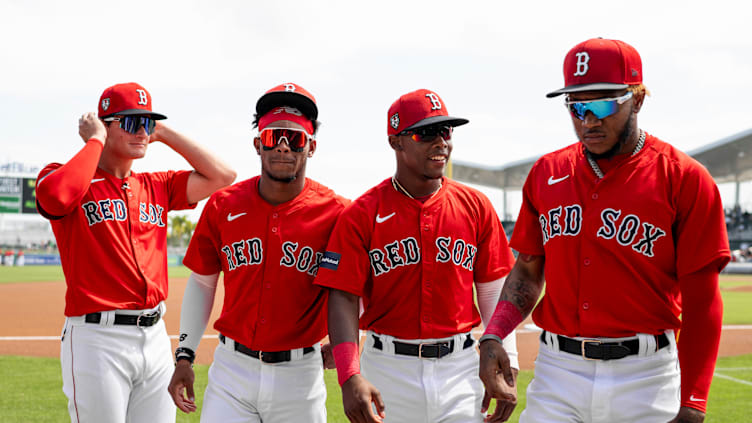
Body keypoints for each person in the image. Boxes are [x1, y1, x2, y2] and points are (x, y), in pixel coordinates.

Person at [479, 38, 731, 423]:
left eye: (602, 104)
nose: (588, 120)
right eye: (576, 106)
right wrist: (495, 333)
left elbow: (703, 303)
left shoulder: (685, 179)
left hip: (646, 377)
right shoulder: (546, 173)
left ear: (638, 99)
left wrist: (693, 402)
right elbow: (528, 271)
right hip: (558, 371)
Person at [35, 82, 236, 423]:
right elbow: (55, 198)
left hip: (155, 336)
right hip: (97, 338)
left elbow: (223, 176)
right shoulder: (67, 178)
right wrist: (95, 140)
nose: (142, 131)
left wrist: (163, 131)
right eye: (131, 122)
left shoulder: (156, 185)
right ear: (105, 125)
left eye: (147, 122)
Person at [315, 89, 518, 423]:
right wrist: (350, 373)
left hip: (460, 367)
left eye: (446, 131)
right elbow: (343, 298)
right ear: (396, 142)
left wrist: (506, 360)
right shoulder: (362, 213)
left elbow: (493, 289)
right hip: (388, 369)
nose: (441, 142)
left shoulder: (475, 205)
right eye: (426, 133)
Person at [167, 83, 349, 422]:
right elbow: (203, 283)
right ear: (257, 144)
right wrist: (184, 356)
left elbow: (359, 285)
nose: (282, 146)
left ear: (311, 147)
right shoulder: (224, 205)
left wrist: (345, 344)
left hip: (300, 375)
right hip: (232, 371)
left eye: (294, 138)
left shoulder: (337, 212)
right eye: (272, 136)